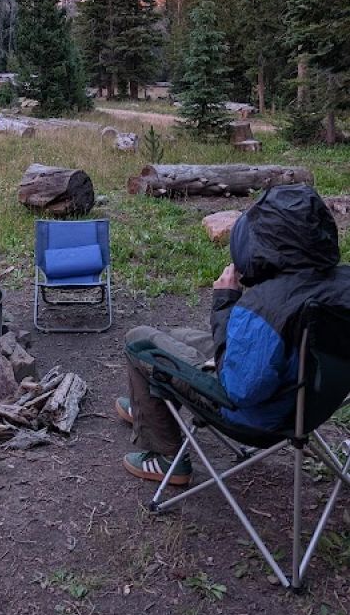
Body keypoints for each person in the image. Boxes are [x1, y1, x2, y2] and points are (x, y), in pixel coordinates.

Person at [117, 184, 350, 485]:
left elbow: (239, 390)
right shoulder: (341, 283)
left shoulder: (267, 307)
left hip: (257, 417)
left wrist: (226, 300)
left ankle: (165, 458)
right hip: (310, 400)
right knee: (180, 335)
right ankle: (147, 408)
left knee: (140, 340)